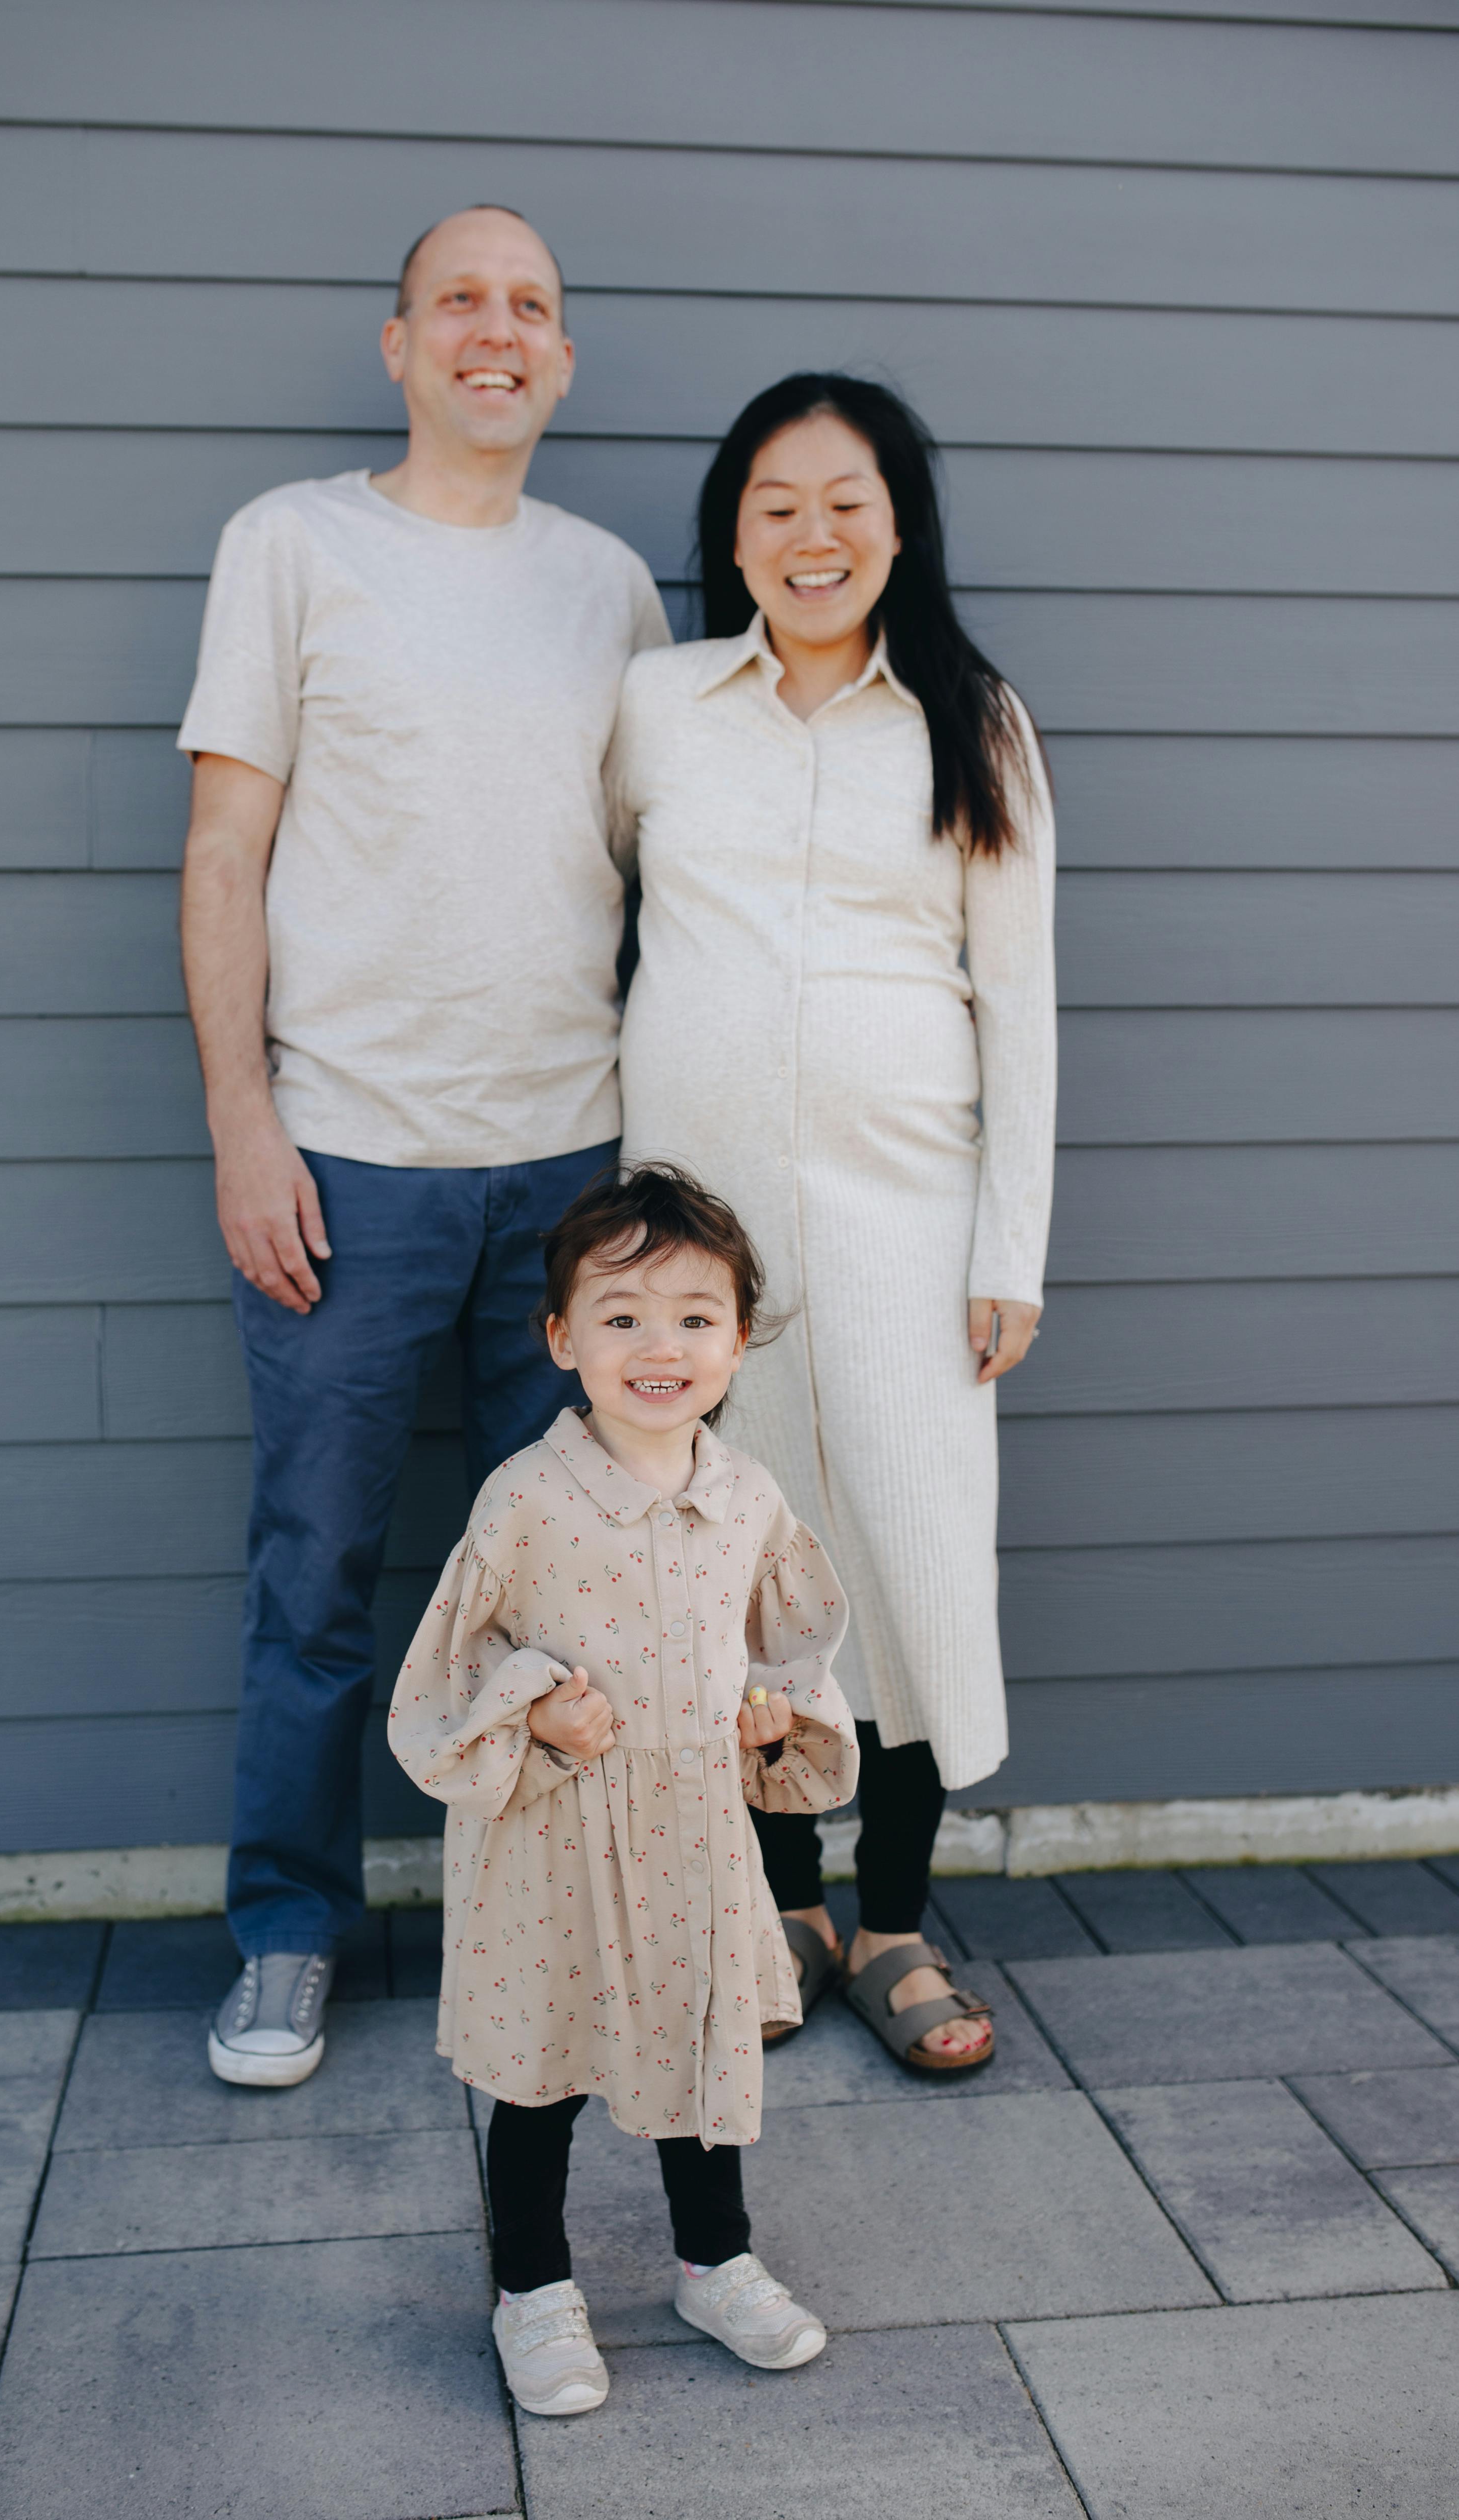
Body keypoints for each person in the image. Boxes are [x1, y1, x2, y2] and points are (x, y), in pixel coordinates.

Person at [177, 206, 670, 2087]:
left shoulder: (611, 587)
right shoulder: (295, 547)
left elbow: (653, 877)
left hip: (571, 1174)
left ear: (560, 359)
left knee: (560, 1581)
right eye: (458, 299)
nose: (494, 330)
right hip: (349, 1162)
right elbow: (225, 853)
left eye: (529, 305)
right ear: (397, 343)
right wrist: (244, 1116)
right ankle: (287, 1931)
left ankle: (537, 1936)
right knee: (316, 1570)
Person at [610, 374, 1056, 2074]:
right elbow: (599, 918)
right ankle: (782, 1909)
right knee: (735, 1570)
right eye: (774, 503)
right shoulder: (656, 706)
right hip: (691, 1258)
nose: (811, 534)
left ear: (896, 523)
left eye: (845, 500)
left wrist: (1002, 1249)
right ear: (731, 532)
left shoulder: (970, 717)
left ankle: (889, 1924)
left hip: (905, 1225)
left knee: (906, 1566)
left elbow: (1016, 1004)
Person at [389, 1165, 857, 2417]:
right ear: (562, 1337)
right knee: (541, 2069)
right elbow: (448, 1672)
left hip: (692, 1832)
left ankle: (716, 2260)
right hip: (554, 1832)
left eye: (696, 1317)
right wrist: (536, 1706)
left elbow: (786, 1644)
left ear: (739, 1338)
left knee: (697, 2054)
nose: (663, 1346)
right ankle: (531, 2288)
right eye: (624, 1315)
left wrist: (774, 1717)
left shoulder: (746, 1497)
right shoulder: (528, 1500)